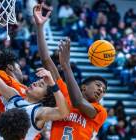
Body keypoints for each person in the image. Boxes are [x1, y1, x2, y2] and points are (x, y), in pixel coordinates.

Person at [0, 29, 69, 139]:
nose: (35, 83)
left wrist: (52, 83)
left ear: (44, 97)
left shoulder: (39, 112)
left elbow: (63, 112)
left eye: (41, 85)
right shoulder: (14, 96)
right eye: (38, 81)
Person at [33, 3, 107, 139]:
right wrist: (39, 27)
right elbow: (46, 60)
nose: (101, 90)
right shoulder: (64, 94)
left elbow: (78, 102)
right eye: (98, 85)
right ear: (83, 87)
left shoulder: (100, 111)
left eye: (103, 90)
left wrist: (66, 66)